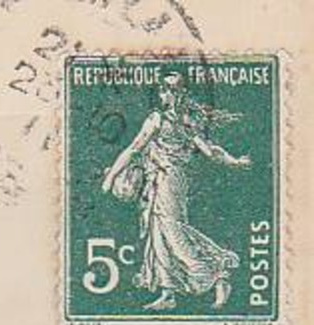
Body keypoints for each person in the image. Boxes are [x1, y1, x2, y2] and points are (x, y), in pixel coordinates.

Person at [101, 71, 253, 311]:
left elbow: (209, 150)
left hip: (169, 180)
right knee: (158, 233)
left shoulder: (173, 121)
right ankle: (168, 292)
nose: (167, 93)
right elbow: (134, 150)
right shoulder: (167, 120)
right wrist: (112, 177)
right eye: (165, 89)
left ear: (180, 93)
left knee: (172, 231)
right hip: (159, 181)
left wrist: (233, 162)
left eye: (172, 89)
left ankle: (217, 272)